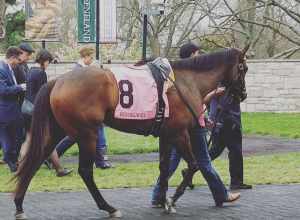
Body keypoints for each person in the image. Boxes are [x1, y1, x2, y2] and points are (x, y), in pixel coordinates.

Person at [151, 42, 240, 207]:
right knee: (204, 161)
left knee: (171, 162)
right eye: (197, 53)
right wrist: (213, 94)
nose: (199, 56)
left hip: (184, 124)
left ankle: (157, 195)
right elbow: (196, 103)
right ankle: (221, 195)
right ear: (192, 55)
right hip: (193, 125)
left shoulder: (179, 74)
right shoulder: (191, 77)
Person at [55, 46, 112, 169]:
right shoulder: (78, 71)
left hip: (89, 108)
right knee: (75, 136)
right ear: (85, 57)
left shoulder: (84, 69)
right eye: (91, 57)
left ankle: (100, 162)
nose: (92, 60)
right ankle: (54, 155)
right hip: (81, 109)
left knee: (92, 133)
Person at [19, 49, 73, 177]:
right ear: (44, 60)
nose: (48, 64)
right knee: (49, 139)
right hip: (35, 110)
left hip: (25, 109)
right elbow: (43, 94)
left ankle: (21, 167)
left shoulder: (31, 70)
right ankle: (59, 169)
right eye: (49, 61)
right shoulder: (41, 73)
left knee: (28, 139)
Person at [208, 87, 252, 190]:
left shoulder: (219, 84)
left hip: (221, 123)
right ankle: (236, 182)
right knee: (235, 151)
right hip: (229, 121)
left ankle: (190, 170)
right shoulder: (225, 86)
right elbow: (224, 105)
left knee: (215, 151)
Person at [0, 47, 24, 172]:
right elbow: (3, 91)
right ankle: (11, 162)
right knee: (7, 139)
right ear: (12, 58)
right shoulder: (1, 69)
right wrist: (20, 87)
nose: (19, 62)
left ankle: (12, 161)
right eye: (17, 59)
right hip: (5, 111)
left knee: (19, 136)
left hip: (13, 110)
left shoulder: (10, 69)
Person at [13, 42, 35, 156]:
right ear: (20, 52)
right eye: (28, 54)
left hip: (23, 103)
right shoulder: (15, 66)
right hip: (15, 104)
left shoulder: (25, 65)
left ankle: (15, 155)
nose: (29, 57)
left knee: (20, 133)